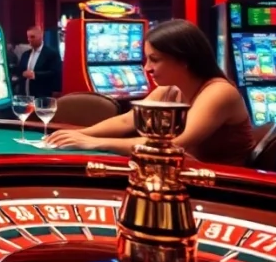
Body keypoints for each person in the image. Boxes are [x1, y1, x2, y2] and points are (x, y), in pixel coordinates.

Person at [45, 19, 255, 165]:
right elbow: (128, 120)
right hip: (185, 172)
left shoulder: (218, 92)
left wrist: (95, 143)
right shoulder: (171, 89)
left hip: (223, 185)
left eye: (155, 60)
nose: (146, 68)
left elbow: (173, 144)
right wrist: (80, 134)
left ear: (184, 60)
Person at [12, 26, 61, 97]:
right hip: (25, 95)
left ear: (40, 37)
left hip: (42, 95)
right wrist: (22, 73)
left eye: (32, 37)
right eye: (28, 37)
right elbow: (20, 70)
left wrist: (35, 75)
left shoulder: (51, 53)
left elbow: (55, 73)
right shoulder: (25, 54)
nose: (29, 40)